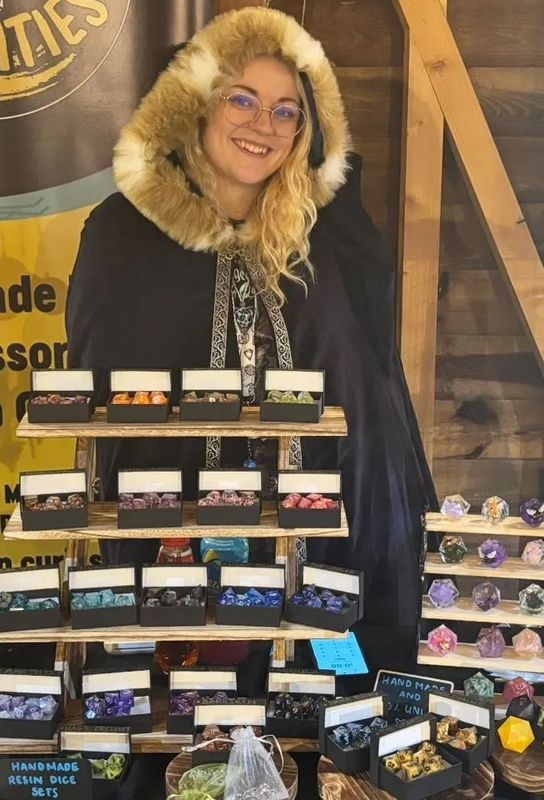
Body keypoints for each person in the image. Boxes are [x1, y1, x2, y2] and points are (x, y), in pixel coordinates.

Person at [66, 6, 437, 667]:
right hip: (179, 530)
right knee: (191, 695)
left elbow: (370, 382)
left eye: (286, 110)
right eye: (243, 100)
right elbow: (103, 385)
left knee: (323, 689)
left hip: (323, 526)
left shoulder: (330, 233)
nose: (263, 125)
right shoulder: (123, 234)